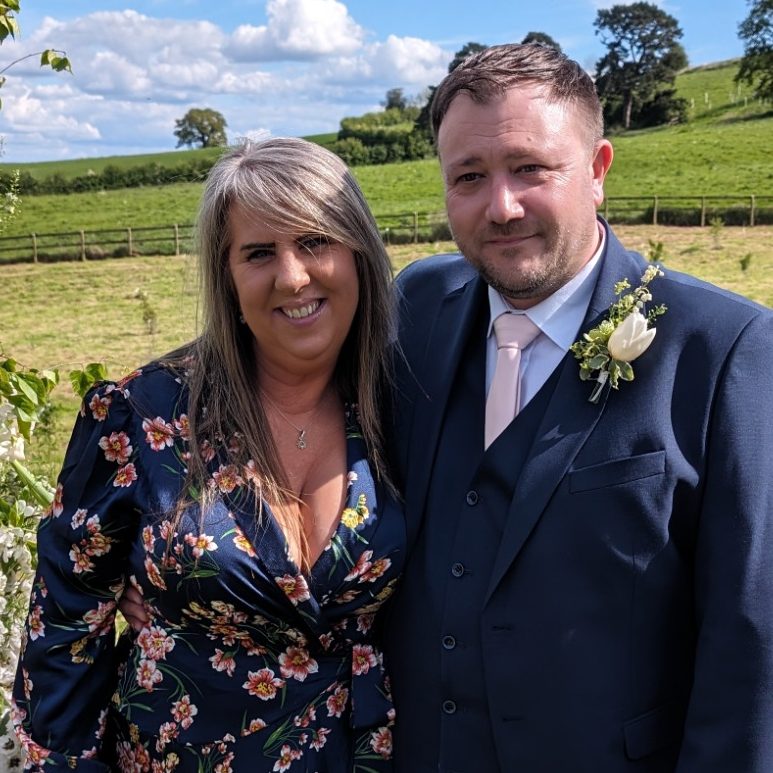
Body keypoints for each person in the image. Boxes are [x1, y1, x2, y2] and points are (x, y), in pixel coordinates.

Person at [383, 43, 773, 772]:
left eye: (530, 168)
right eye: (468, 177)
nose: (500, 207)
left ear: (596, 171)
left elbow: (750, 640)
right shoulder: (419, 306)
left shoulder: (724, 351)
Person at [12, 137, 404, 772]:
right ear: (227, 275)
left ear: (357, 249)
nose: (293, 275)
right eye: (258, 253)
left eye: (314, 241)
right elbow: (64, 627)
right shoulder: (143, 414)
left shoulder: (401, 401)